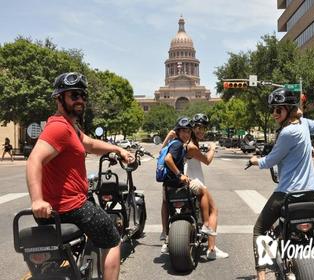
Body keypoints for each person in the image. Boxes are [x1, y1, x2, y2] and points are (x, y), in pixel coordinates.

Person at [26, 72, 134, 280]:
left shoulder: (69, 128)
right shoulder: (58, 128)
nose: (80, 100)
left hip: (56, 210)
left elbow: (90, 144)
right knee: (113, 240)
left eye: (83, 96)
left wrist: (118, 149)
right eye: (73, 95)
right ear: (59, 99)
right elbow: (34, 160)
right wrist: (37, 199)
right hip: (71, 207)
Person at [249, 88, 314, 280]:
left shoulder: (287, 132)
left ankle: (261, 277)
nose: (275, 114)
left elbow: (270, 160)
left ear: (289, 108)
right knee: (313, 238)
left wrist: (254, 161)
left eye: (279, 110)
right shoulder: (304, 124)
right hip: (310, 194)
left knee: (259, 230)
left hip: (287, 194)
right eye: (273, 110)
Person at [160, 114, 228, 259]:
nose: (201, 131)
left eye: (203, 128)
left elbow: (163, 152)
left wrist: (168, 137)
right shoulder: (190, 146)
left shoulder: (182, 142)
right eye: (197, 128)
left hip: (178, 183)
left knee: (166, 202)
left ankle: (165, 236)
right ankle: (211, 249)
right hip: (194, 181)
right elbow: (207, 160)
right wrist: (212, 148)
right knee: (213, 210)